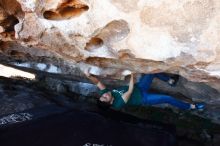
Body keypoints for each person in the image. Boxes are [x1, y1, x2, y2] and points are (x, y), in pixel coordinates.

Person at [84, 69, 205, 110]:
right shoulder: (117, 104)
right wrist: (131, 74)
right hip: (143, 98)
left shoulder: (106, 94)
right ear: (110, 102)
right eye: (105, 97)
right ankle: (191, 107)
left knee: (150, 73)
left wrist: (89, 76)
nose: (104, 95)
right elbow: (129, 90)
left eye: (102, 95)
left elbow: (98, 83)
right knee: (167, 98)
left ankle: (170, 81)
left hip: (140, 88)